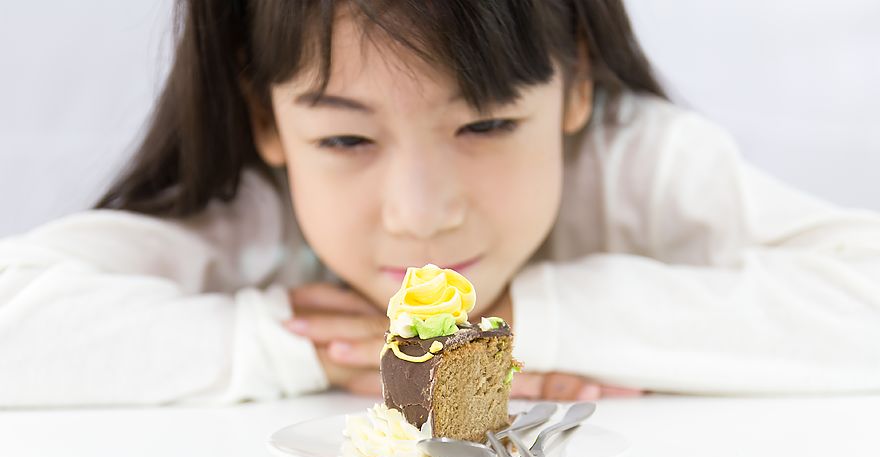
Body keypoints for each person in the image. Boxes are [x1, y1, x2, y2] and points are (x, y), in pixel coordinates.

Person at [1, 0, 877, 408]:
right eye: (346, 140)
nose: (420, 216)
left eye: (487, 124)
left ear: (573, 85)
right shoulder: (263, 211)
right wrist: (299, 348)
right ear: (265, 115)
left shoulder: (636, 164)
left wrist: (517, 324)